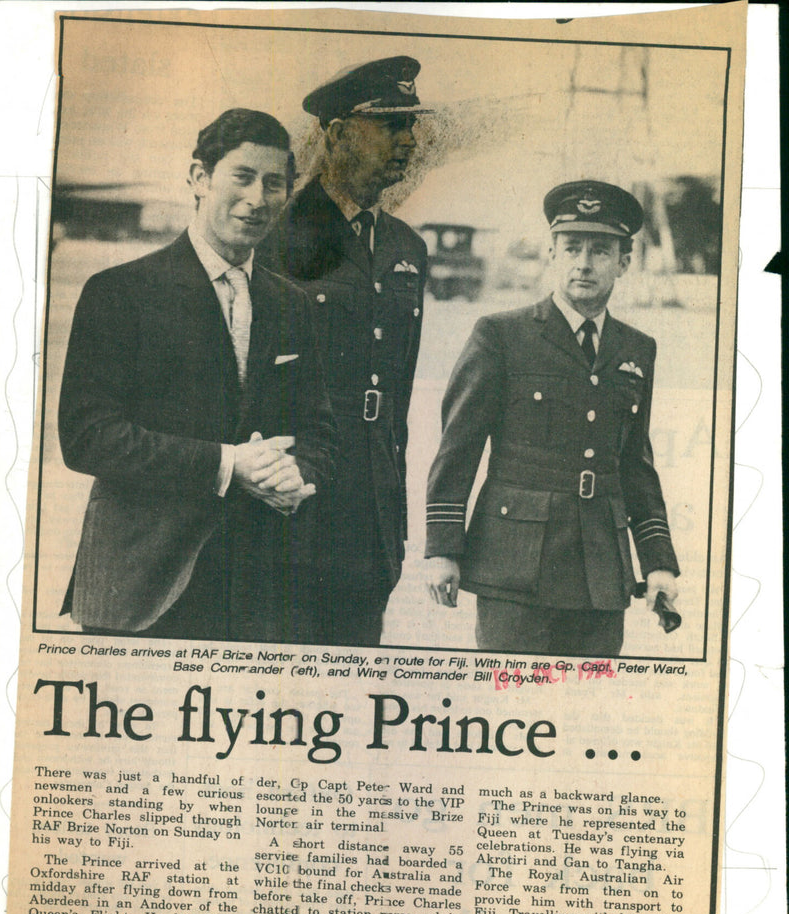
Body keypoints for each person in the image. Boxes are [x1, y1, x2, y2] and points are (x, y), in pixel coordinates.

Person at [58, 109, 335, 642]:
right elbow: (87, 437)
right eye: (243, 176)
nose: (258, 197)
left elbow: (320, 429)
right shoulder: (119, 292)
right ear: (199, 178)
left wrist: (296, 474)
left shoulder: (292, 305)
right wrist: (227, 463)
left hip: (256, 591)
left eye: (274, 183)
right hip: (140, 586)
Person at [425, 180, 680, 657]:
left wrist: (659, 561)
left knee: (588, 708)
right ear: (552, 254)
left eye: (601, 251)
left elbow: (635, 464)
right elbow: (457, 450)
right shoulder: (501, 335)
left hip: (601, 569)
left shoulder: (636, 350)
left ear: (624, 263)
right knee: (511, 704)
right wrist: (443, 549)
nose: (584, 263)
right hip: (514, 565)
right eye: (572, 248)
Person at [259, 56, 429, 646]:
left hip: (372, 516)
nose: (409, 142)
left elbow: (399, 395)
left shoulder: (407, 246)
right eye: (390, 125)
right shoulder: (280, 233)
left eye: (411, 126)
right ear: (336, 135)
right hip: (296, 509)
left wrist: (395, 513)